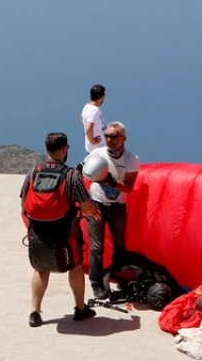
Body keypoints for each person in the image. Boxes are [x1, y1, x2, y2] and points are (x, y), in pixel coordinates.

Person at [20, 132, 101, 327]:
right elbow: (86, 206)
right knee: (74, 266)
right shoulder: (72, 175)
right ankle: (80, 308)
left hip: (38, 233)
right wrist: (96, 214)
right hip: (65, 232)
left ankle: (35, 312)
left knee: (41, 269)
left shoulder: (33, 172)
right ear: (65, 149)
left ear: (47, 150)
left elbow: (24, 203)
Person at [87, 121, 140, 300]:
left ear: (123, 139)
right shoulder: (97, 154)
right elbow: (84, 172)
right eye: (107, 135)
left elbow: (129, 187)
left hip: (117, 207)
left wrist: (112, 183)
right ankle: (96, 284)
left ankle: (118, 277)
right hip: (97, 204)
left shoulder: (131, 159)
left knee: (120, 245)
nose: (109, 139)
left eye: (113, 136)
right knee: (96, 247)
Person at [80, 85, 106, 154]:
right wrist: (92, 141)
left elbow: (81, 117)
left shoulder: (87, 106)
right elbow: (88, 129)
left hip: (93, 148)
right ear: (102, 97)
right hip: (98, 148)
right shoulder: (94, 110)